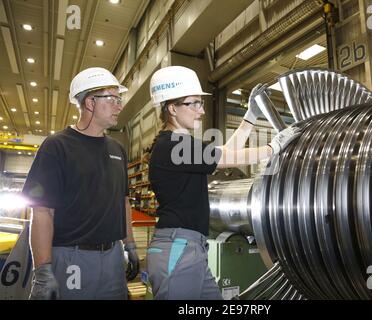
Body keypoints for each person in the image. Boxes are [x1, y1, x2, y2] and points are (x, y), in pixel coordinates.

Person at [146, 65, 297, 300]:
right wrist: (272, 148)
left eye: (201, 103)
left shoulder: (180, 146)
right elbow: (225, 158)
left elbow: (225, 152)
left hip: (192, 247)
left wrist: (250, 117)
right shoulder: (171, 146)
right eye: (193, 103)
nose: (201, 111)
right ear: (172, 108)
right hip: (177, 249)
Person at [22, 67, 139, 300]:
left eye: (120, 98)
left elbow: (123, 202)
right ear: (90, 102)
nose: (120, 105)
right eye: (113, 98)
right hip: (71, 258)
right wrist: (43, 270)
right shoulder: (57, 147)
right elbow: (42, 211)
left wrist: (130, 244)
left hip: (113, 258)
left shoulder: (117, 149)